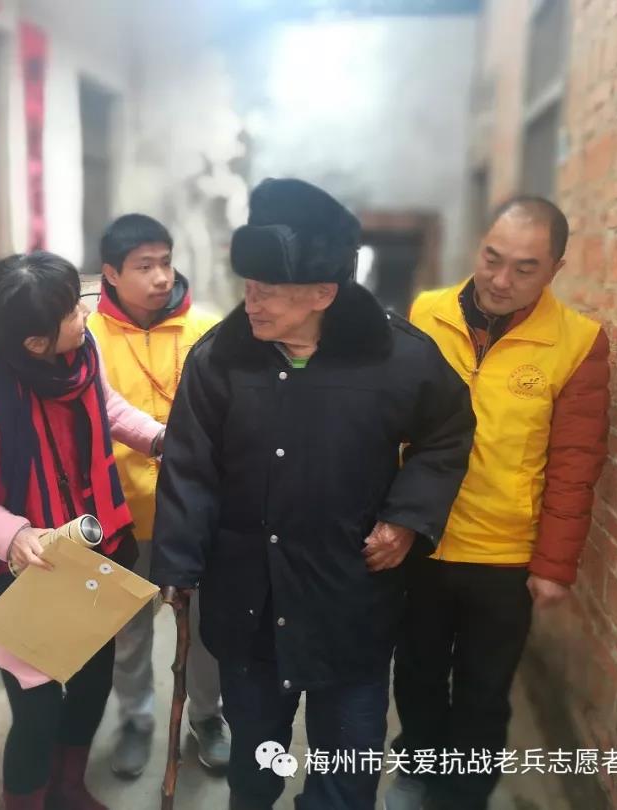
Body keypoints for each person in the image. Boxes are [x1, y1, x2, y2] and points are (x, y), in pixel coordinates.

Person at [149, 178, 477, 810]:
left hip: (349, 601)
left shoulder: (397, 357)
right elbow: (189, 466)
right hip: (249, 600)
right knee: (255, 767)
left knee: (347, 773)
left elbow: (447, 432)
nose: (250, 304)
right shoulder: (219, 359)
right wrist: (178, 566)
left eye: (268, 292)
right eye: (248, 287)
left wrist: (407, 518)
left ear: (323, 293)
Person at [0, 252, 165, 810]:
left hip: (93, 549)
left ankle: (68, 788)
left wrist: (156, 438)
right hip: (23, 567)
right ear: (34, 342)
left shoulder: (79, 353)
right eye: (72, 310)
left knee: (93, 683)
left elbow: (104, 405)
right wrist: (11, 534)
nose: (85, 314)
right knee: (37, 708)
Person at [387, 196, 611, 810]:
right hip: (422, 538)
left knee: (484, 690)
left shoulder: (577, 343)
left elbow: (575, 462)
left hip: (505, 555)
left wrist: (554, 565)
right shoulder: (427, 313)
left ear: (555, 269)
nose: (501, 279)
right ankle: (418, 764)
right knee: (417, 670)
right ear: (479, 247)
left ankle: (465, 795)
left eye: (524, 268)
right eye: (492, 258)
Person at [86, 214, 229, 778]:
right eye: (144, 266)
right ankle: (137, 719)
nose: (160, 277)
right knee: (128, 629)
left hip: (197, 512)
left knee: (206, 630)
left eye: (165, 262)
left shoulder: (209, 331)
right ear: (110, 274)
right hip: (121, 512)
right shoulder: (88, 338)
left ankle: (208, 718)